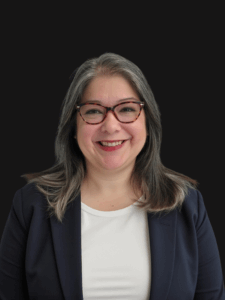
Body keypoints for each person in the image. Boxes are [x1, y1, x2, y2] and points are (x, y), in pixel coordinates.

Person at [0, 53, 224, 300]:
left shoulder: (188, 205)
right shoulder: (30, 206)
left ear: (148, 122)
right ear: (74, 126)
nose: (111, 126)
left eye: (127, 109)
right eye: (94, 111)